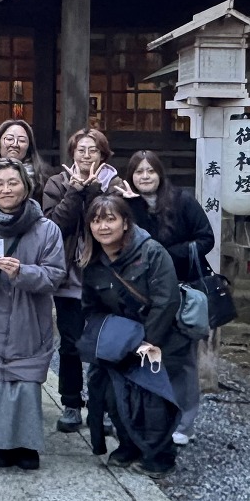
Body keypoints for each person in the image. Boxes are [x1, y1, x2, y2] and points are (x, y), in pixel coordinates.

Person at [0, 159, 65, 469]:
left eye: (13, 182)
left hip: (31, 319)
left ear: (27, 187)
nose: (6, 189)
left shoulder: (47, 230)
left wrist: (23, 272)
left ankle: (27, 445)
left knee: (26, 384)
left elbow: (54, 275)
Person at [80, 192, 187, 475]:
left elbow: (167, 300)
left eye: (110, 220)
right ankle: (128, 445)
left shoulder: (151, 252)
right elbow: (90, 305)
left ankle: (160, 456)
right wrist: (109, 339)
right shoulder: (93, 261)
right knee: (114, 396)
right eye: (95, 221)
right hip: (120, 340)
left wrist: (148, 341)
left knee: (152, 400)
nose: (102, 227)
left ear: (125, 222)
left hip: (156, 338)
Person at [41, 128, 129, 434]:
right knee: (70, 343)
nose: (86, 155)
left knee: (105, 343)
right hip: (68, 276)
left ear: (103, 155)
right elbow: (53, 226)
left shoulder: (114, 184)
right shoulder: (57, 182)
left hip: (104, 276)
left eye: (93, 150)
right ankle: (70, 402)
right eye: (81, 150)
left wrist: (92, 191)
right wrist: (74, 191)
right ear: (72, 153)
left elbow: (105, 222)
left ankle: (102, 405)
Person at [124, 150, 215, 446]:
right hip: (144, 292)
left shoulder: (182, 200)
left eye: (150, 171)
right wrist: (134, 206)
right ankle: (146, 418)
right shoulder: (129, 205)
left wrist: (170, 256)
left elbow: (206, 238)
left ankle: (185, 423)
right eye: (139, 172)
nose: (145, 176)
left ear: (160, 174)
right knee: (145, 354)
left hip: (182, 287)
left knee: (182, 359)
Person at [0, 118, 49, 201]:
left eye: (22, 140)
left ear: (29, 146)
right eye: (9, 139)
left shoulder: (41, 176)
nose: (15, 144)